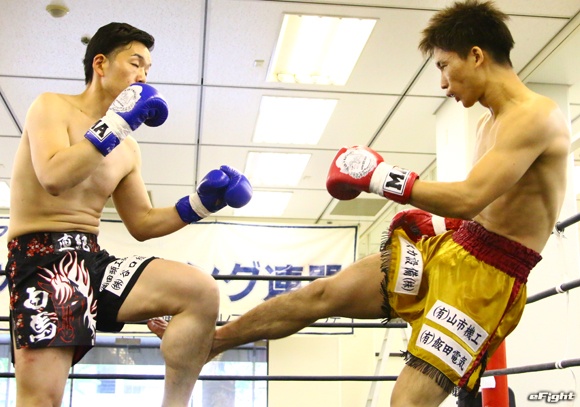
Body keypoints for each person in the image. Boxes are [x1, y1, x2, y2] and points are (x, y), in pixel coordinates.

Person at [149, 0, 571, 405]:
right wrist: (439, 224)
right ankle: (213, 344)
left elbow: (469, 197)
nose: (443, 83)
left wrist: (379, 176)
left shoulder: (536, 115)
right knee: (322, 294)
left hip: (490, 278)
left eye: (444, 66)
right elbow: (483, 207)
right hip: (456, 247)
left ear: (476, 55)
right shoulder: (485, 123)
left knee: (407, 402)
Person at [5, 22, 253, 407]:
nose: (143, 76)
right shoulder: (52, 106)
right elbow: (54, 177)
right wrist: (116, 124)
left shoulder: (128, 148)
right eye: (135, 63)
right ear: (100, 64)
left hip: (92, 260)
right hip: (43, 259)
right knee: (41, 400)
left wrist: (202, 204)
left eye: (148, 70)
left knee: (200, 290)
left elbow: (142, 223)